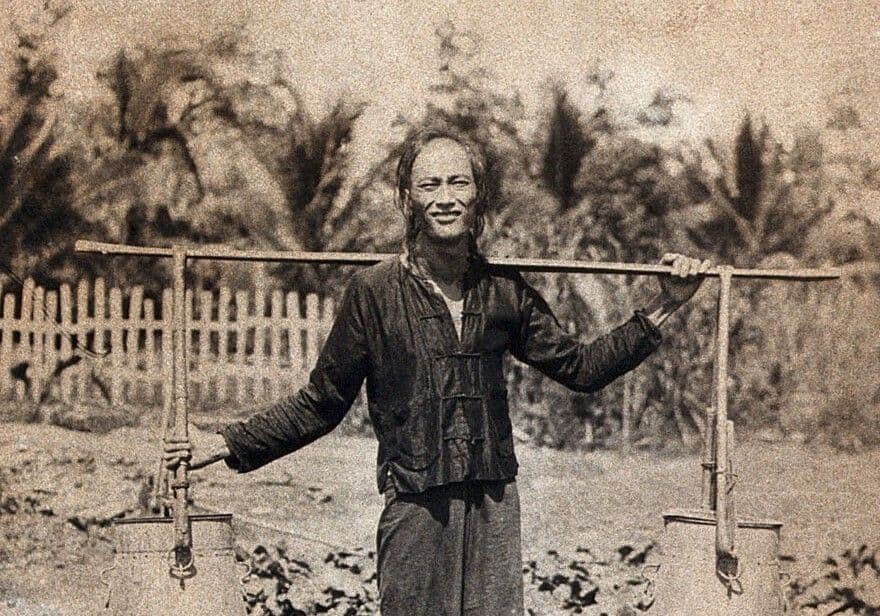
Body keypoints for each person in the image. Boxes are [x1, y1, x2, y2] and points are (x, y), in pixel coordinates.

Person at [164, 125, 710, 615]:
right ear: (407, 199)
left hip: (495, 504)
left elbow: (582, 367)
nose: (445, 199)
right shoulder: (373, 294)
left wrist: (668, 303)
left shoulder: (503, 291)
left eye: (458, 183)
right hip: (415, 504)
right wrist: (227, 442)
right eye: (429, 186)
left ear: (478, 197)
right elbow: (323, 402)